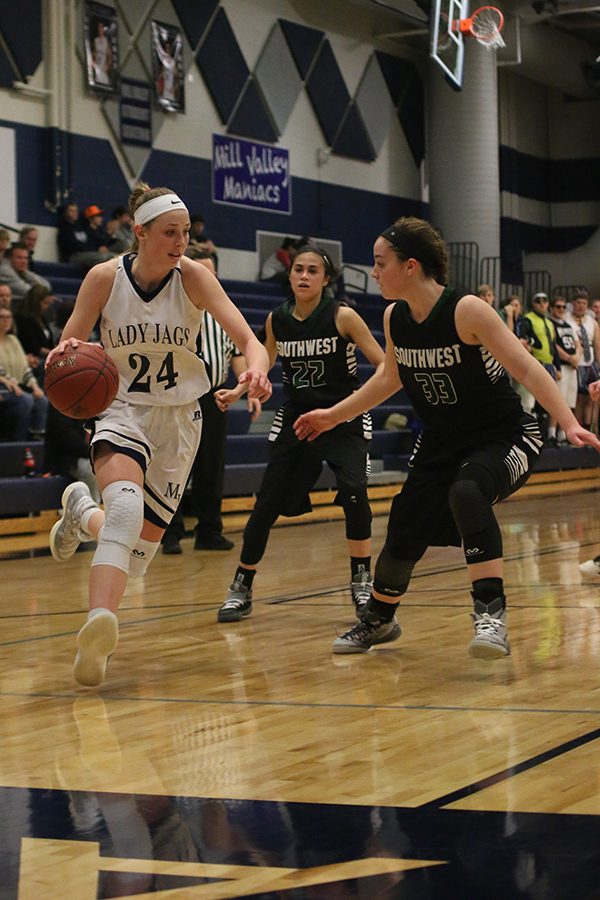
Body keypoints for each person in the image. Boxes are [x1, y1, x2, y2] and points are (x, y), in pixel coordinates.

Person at [293, 217, 600, 658]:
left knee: (468, 491)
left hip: (504, 435)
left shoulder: (467, 310)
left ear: (411, 266)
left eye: (381, 263)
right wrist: (332, 416)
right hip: (442, 439)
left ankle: (490, 615)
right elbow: (389, 380)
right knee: (405, 518)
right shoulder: (395, 316)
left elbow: (529, 368)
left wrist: (568, 422)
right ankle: (379, 620)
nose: (374, 272)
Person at [45, 182, 271, 688]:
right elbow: (69, 343)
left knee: (139, 557)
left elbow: (249, 341)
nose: (180, 242)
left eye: (186, 232)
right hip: (120, 407)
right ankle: (98, 629)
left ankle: (83, 514)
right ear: (140, 232)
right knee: (126, 511)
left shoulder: (195, 278)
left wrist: (255, 371)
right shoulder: (104, 278)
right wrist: (66, 358)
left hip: (179, 418)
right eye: (170, 232)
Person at [215, 244, 385, 624]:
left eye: (313, 270)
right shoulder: (278, 319)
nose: (304, 276)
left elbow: (384, 364)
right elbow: (265, 362)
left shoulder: (343, 317)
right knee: (266, 504)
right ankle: (242, 586)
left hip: (343, 417)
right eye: (299, 270)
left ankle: (361, 580)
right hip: (299, 420)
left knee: (355, 493)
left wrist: (357, 404)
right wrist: (240, 390)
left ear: (326, 280)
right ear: (290, 276)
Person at [161, 252, 262, 554]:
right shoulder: (172, 312)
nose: (206, 281)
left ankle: (209, 530)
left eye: (211, 275)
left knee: (211, 466)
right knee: (174, 466)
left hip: (216, 395)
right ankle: (169, 533)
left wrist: (247, 387)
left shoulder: (224, 316)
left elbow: (237, 354)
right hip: (177, 397)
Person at [518, 292, 561, 443]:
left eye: (544, 301)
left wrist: (558, 366)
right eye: (538, 301)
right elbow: (521, 338)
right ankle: (526, 434)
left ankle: (548, 434)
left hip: (548, 365)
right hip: (534, 363)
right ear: (533, 303)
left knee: (549, 399)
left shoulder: (549, 322)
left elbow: (553, 346)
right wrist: (528, 345)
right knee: (530, 401)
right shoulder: (527, 319)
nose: (542, 304)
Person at [0, 307, 48, 438]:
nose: (6, 320)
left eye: (8, 317)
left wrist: (34, 386)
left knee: (42, 400)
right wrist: (12, 383)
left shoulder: (13, 340)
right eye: (2, 317)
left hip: (18, 386)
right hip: (4, 387)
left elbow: (24, 367)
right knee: (26, 400)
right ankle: (18, 441)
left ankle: (36, 440)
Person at [549, 296, 581, 444]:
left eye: (563, 307)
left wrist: (576, 357)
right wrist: (569, 358)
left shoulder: (568, 326)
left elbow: (578, 344)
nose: (561, 309)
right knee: (558, 401)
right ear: (552, 308)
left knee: (569, 401)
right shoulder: (550, 324)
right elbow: (554, 345)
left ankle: (564, 433)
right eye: (558, 306)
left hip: (572, 366)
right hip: (561, 365)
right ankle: (552, 433)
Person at [566, 292, 600, 429]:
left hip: (590, 361)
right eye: (578, 303)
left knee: (591, 398)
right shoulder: (567, 319)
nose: (581, 306)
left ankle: (589, 427)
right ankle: (576, 427)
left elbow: (597, 345)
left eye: (584, 303)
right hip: (575, 362)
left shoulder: (592, 322)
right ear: (573, 304)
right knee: (577, 398)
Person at [14, 284, 57, 381]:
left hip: (45, 356)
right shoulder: (23, 319)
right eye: (45, 303)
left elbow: (49, 343)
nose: (47, 307)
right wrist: (54, 353)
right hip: (31, 357)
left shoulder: (42, 318)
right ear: (35, 302)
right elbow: (32, 347)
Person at [57, 202, 113, 272]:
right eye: (71, 211)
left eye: (76, 211)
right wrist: (94, 249)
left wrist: (97, 248)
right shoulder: (64, 228)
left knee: (112, 257)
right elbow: (73, 246)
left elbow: (89, 241)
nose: (74, 213)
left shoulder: (80, 227)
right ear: (65, 213)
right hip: (74, 255)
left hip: (87, 252)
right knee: (100, 258)